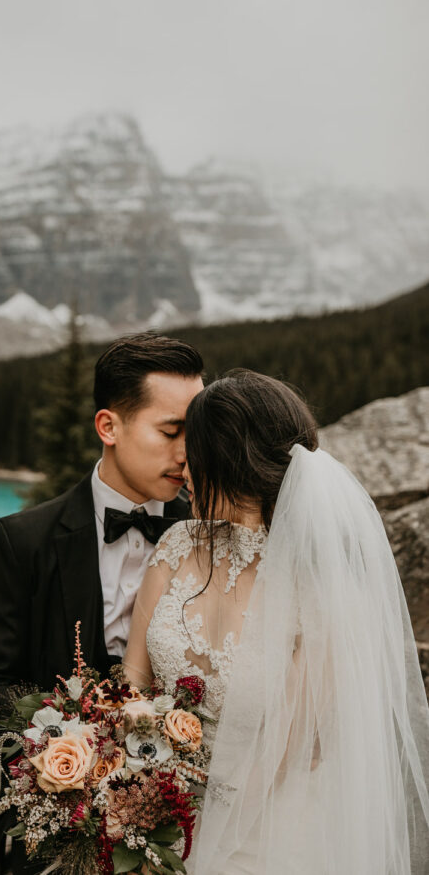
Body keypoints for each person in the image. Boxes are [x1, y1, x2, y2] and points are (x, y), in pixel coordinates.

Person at [124, 369, 429, 874]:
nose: (182, 465)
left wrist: (192, 839)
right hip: (155, 809)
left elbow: (291, 751)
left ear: (226, 459)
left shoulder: (318, 585)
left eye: (193, 450)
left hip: (267, 831)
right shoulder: (176, 545)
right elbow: (131, 682)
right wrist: (130, 793)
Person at [0, 332, 205, 874]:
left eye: (197, 433)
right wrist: (68, 752)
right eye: (171, 431)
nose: (186, 453)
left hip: (184, 811)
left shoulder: (206, 532)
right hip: (57, 818)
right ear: (108, 427)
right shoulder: (23, 541)